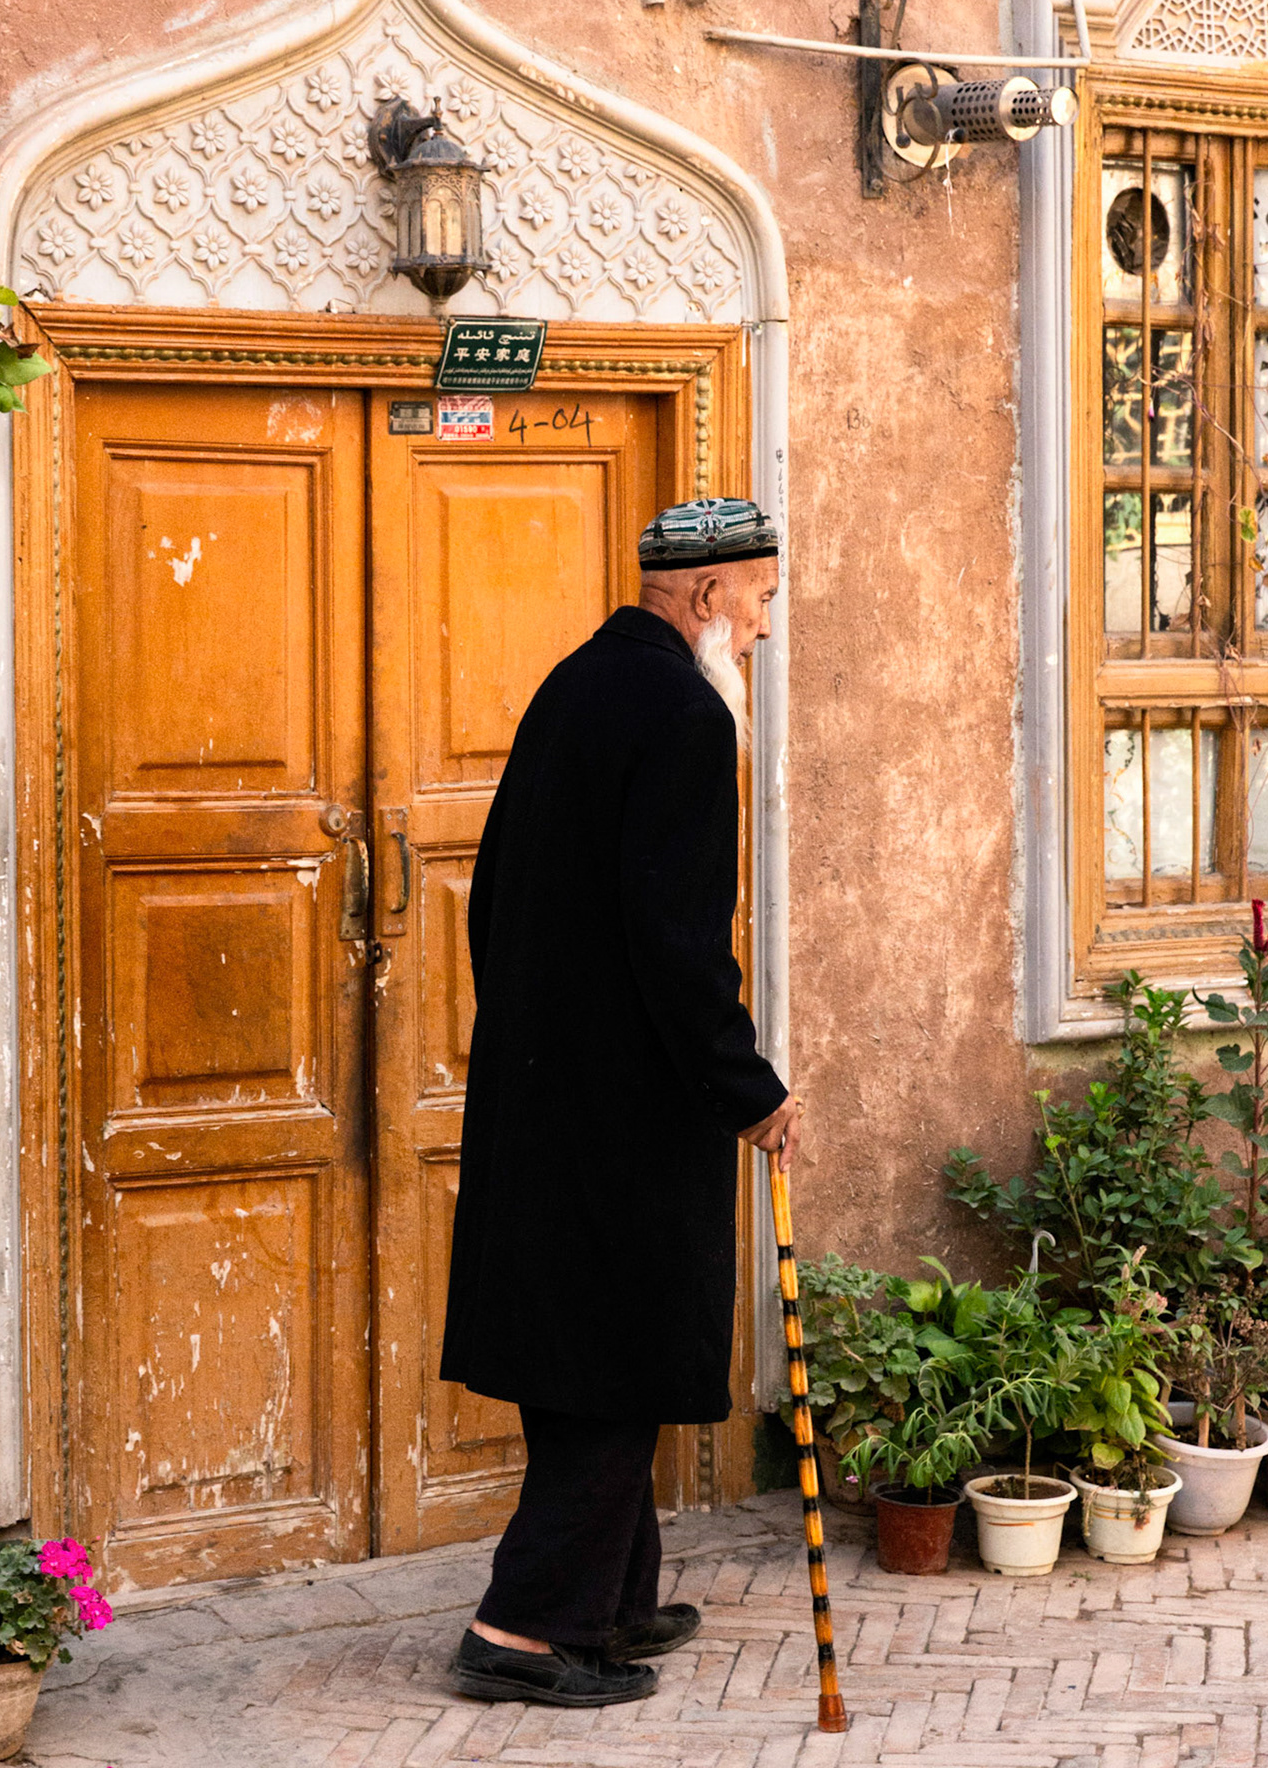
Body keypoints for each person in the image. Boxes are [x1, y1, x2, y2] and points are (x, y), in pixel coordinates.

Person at [442, 496, 803, 1709]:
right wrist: (746, 1090)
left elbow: (492, 900)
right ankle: (529, 1631)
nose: (758, 629)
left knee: (589, 1351)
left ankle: (615, 1598)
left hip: (547, 1089)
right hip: (625, 1111)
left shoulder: (576, 684)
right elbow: (680, 940)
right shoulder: (684, 716)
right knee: (617, 1355)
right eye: (756, 600)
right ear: (703, 597)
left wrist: (542, 1037)